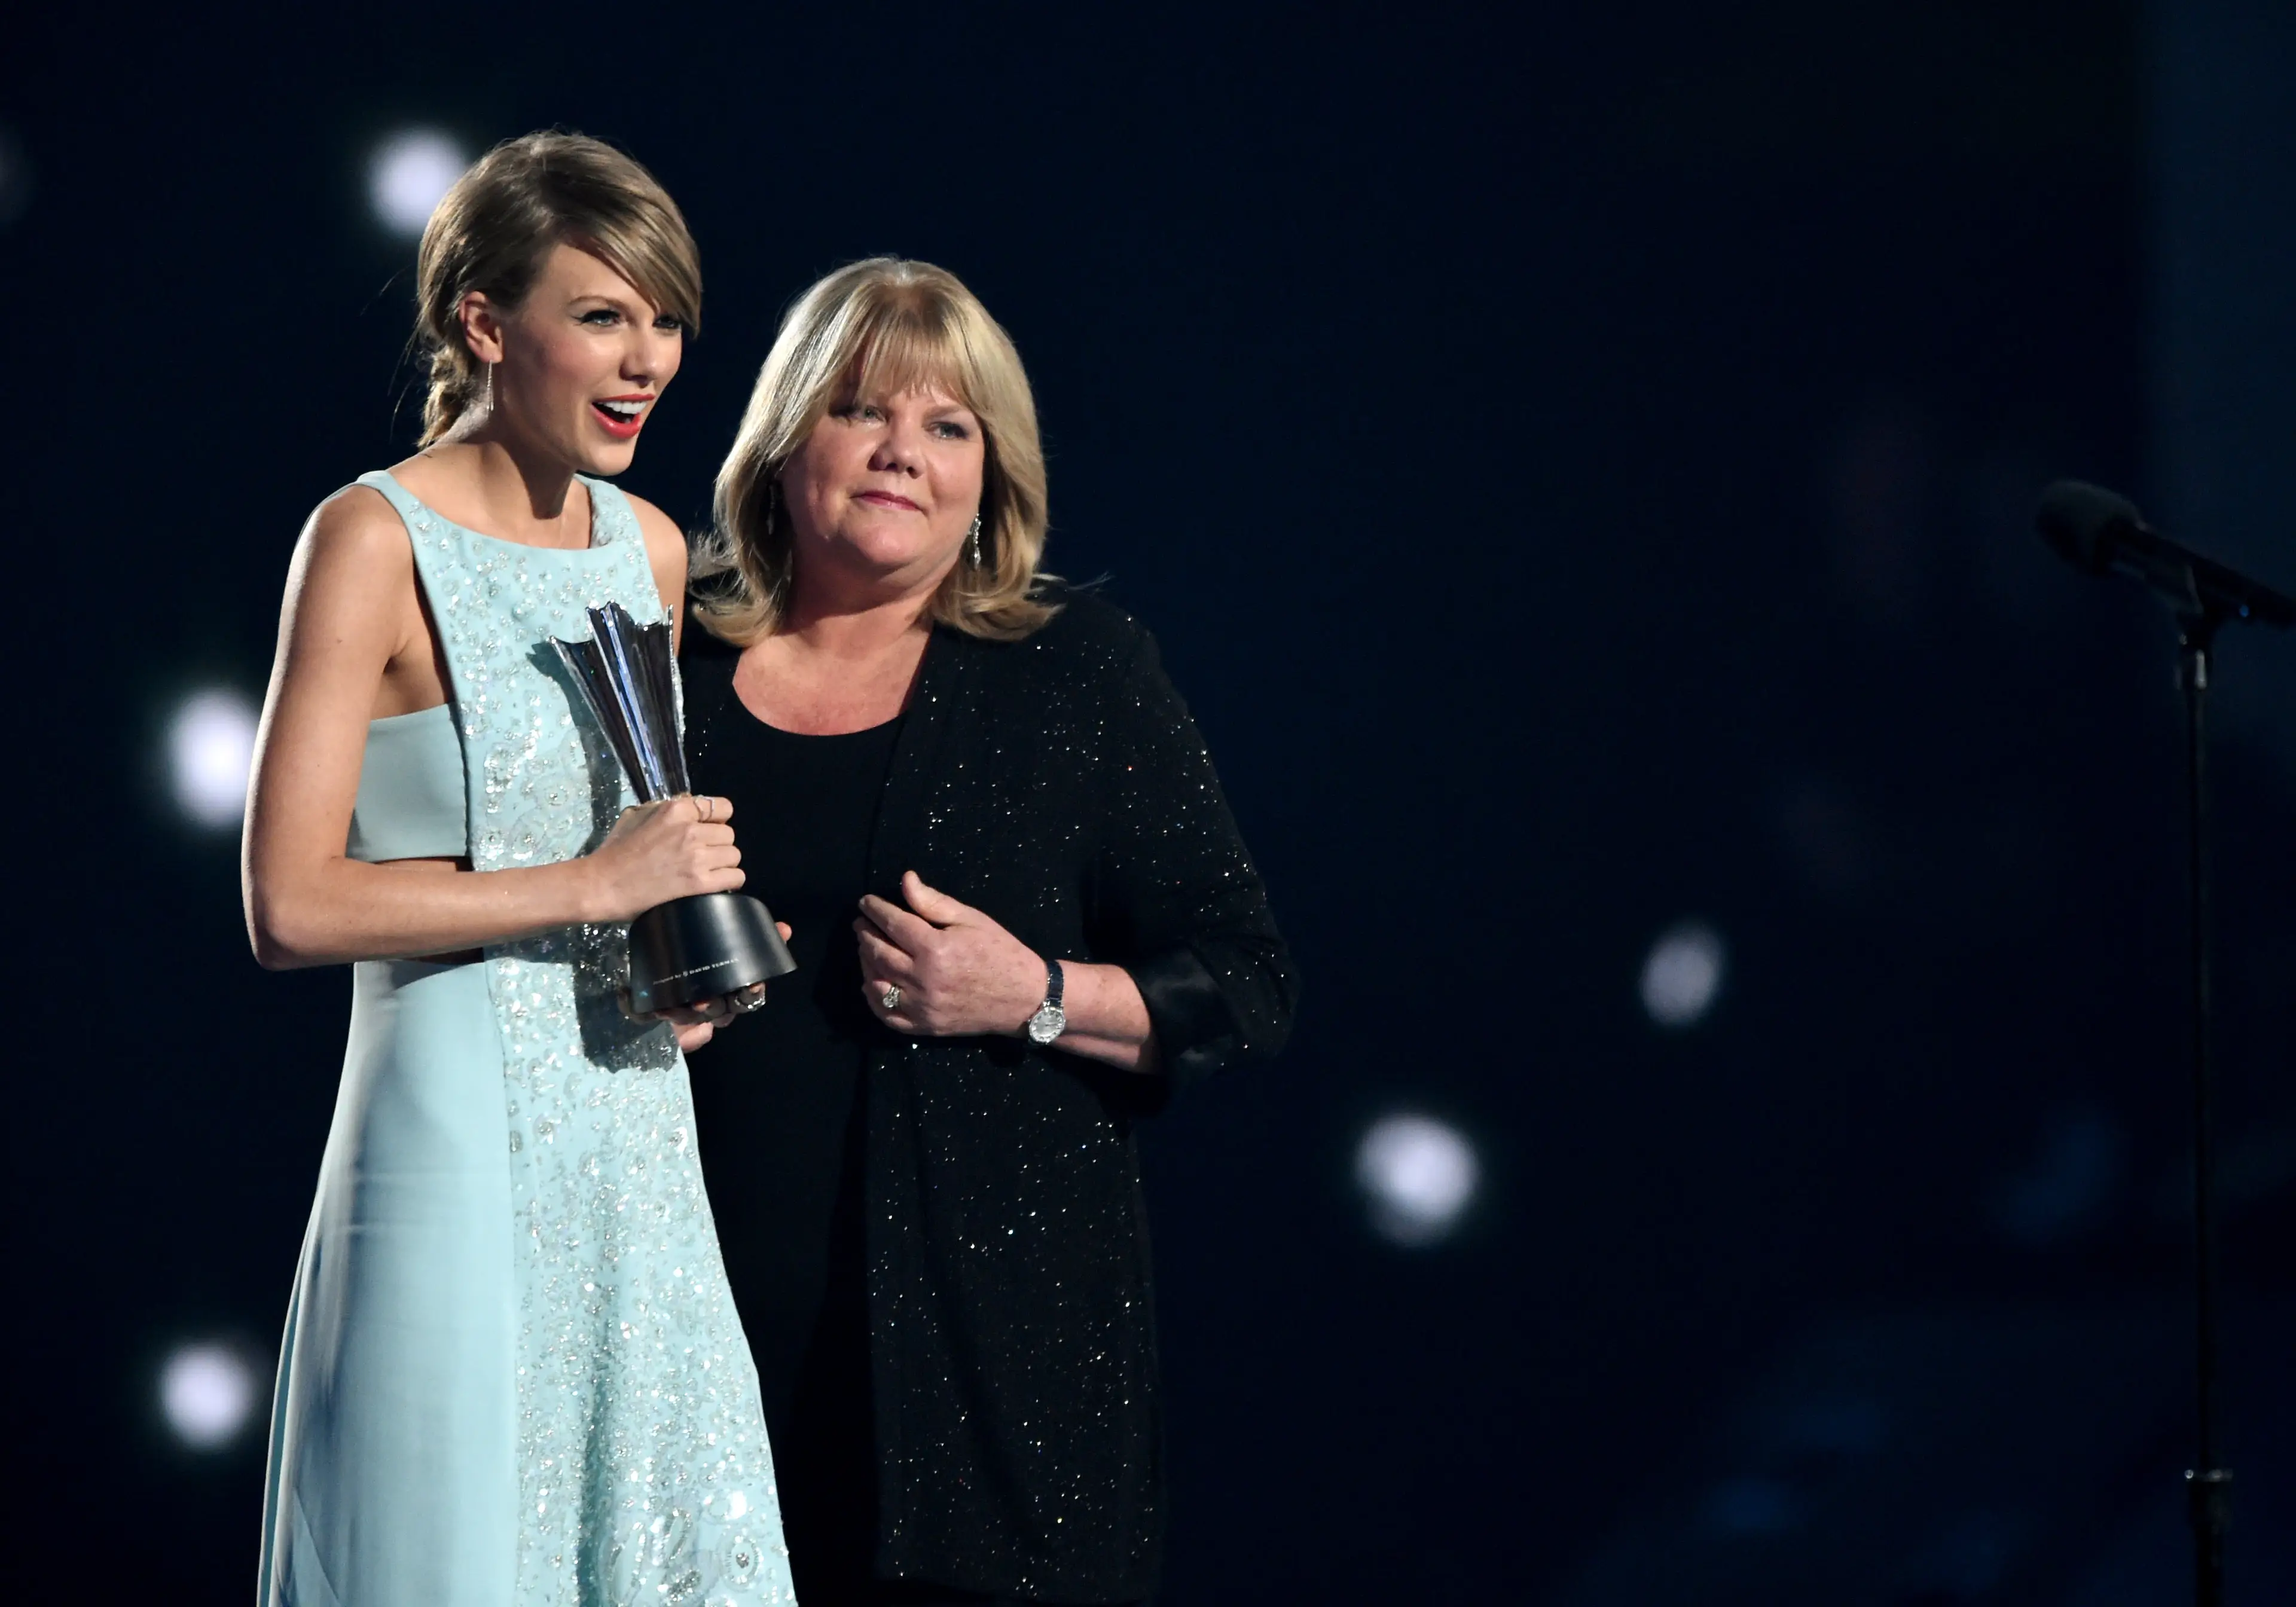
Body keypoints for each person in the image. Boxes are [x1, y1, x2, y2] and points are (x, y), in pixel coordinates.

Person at [680, 258, 1299, 1606]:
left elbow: (1246, 983)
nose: (903, 453)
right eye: (862, 411)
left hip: (990, 1398)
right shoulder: (671, 668)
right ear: (787, 444)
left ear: (991, 476)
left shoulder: (1075, 672)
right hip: (693, 1364)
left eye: (948, 427)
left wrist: (1031, 991)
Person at [242, 132, 794, 1605]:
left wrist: (674, 964)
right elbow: (290, 903)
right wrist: (593, 888)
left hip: (634, 1138)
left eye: (665, 318)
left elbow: (625, 853)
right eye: (603, 314)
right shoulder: (369, 539)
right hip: (444, 1141)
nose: (648, 359)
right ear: (486, 324)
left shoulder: (653, 550)